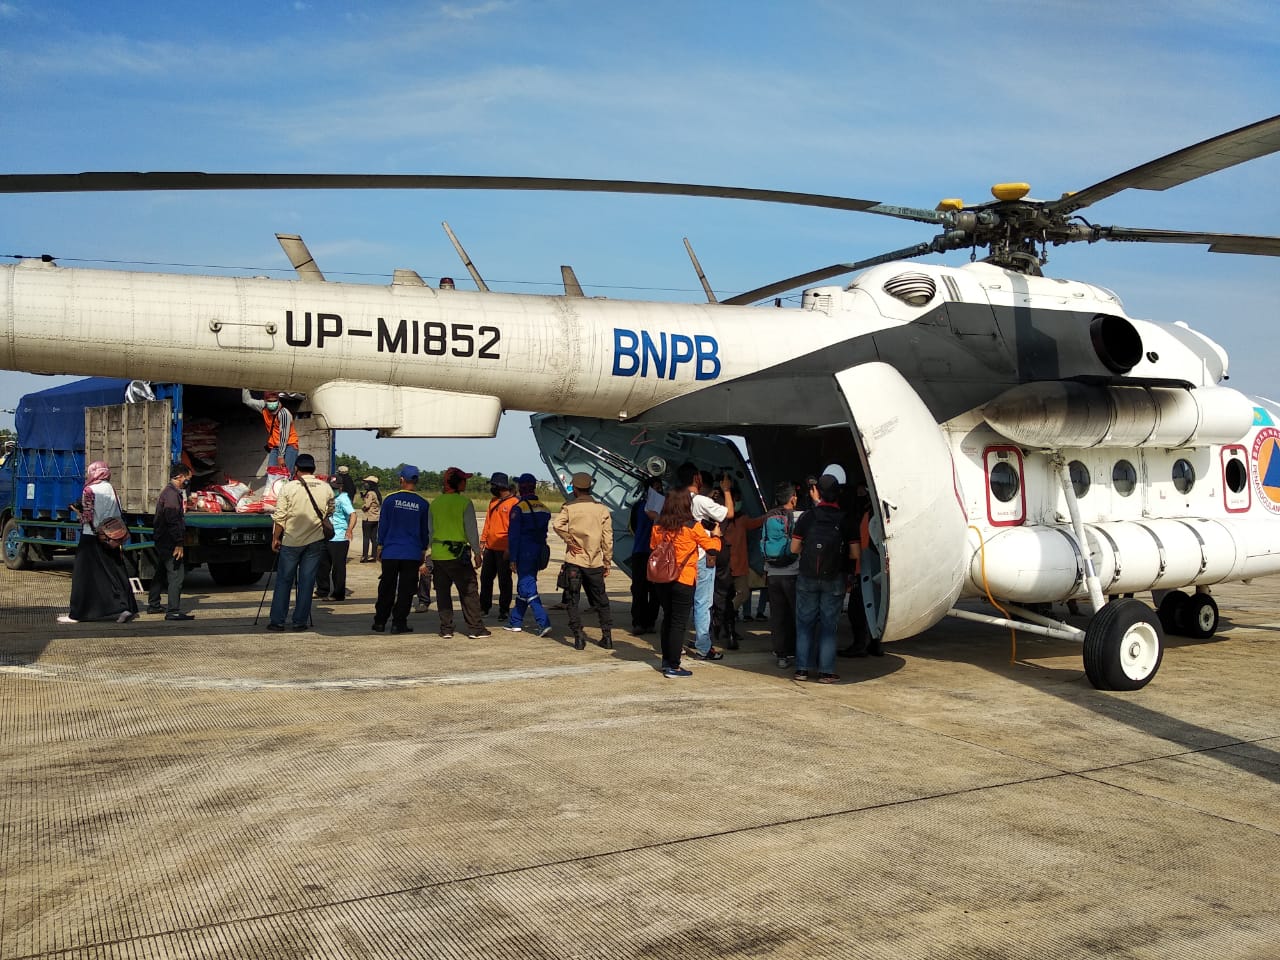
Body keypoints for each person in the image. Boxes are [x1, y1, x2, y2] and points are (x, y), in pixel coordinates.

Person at [790, 472, 857, 683]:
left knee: (804, 624)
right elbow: (855, 554)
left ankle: (801, 669)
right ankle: (826, 672)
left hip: (808, 576)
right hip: (834, 578)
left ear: (817, 491)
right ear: (838, 494)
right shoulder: (846, 520)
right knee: (829, 626)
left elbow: (794, 548)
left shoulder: (807, 517)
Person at [649, 486, 720, 678]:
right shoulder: (691, 526)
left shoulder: (658, 525)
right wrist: (716, 535)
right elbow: (712, 549)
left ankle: (666, 660)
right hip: (683, 578)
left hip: (662, 578)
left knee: (668, 618)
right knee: (679, 622)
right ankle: (674, 665)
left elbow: (654, 546)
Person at [60, 460, 139, 624]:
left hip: (92, 537)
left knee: (83, 576)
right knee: (116, 572)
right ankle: (125, 607)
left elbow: (87, 518)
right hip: (112, 537)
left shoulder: (89, 490)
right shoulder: (111, 489)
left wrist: (76, 511)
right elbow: (118, 511)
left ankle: (77, 613)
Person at [267, 452, 333, 632]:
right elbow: (330, 511)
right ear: (314, 469)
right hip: (315, 541)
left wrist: (275, 538)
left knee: (284, 581)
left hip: (291, 541)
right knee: (307, 582)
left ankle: (277, 621)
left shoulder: (289, 488)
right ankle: (299, 622)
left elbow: (280, 517)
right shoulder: (325, 487)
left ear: (296, 469)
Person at [552, 472, 615, 650]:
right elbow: (607, 538)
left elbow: (557, 525)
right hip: (594, 561)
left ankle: (578, 637)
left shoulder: (569, 507)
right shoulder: (601, 509)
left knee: (572, 600)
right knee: (601, 599)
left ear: (576, 489)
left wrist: (570, 541)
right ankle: (607, 636)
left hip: (575, 559)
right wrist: (607, 561)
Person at [678, 463, 733, 661]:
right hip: (701, 555)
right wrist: (726, 490)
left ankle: (678, 644)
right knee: (703, 603)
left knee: (681, 603)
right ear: (696, 479)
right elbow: (729, 514)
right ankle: (703, 646)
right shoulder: (701, 500)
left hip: (680, 557)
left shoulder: (674, 499)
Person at [429, 467, 490, 640]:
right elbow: (471, 530)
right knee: (469, 590)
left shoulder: (435, 503)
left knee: (442, 593)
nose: (466, 483)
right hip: (457, 555)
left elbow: (430, 531)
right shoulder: (464, 503)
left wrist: (428, 554)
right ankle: (476, 628)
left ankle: (446, 629)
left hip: (439, 554)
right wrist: (477, 553)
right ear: (457, 483)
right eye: (464, 480)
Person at [373, 464, 431, 634]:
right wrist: (422, 551)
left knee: (386, 588)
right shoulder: (423, 503)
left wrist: (380, 546)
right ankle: (399, 623)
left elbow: (382, 526)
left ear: (401, 480)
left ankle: (380, 622)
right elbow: (424, 532)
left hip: (391, 551)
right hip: (411, 553)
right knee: (406, 590)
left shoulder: (390, 499)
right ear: (417, 481)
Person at [505, 472, 553, 637]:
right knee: (525, 585)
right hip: (539, 551)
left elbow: (514, 535)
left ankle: (543, 621)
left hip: (524, 551)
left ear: (521, 487)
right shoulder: (545, 509)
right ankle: (515, 621)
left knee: (528, 587)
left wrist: (512, 558)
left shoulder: (519, 508)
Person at [146, 462, 195, 620]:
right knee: (176, 575)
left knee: (161, 572)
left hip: (163, 539)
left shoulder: (171, 492)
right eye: (187, 478)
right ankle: (173, 611)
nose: (188, 481)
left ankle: (154, 604)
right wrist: (179, 543)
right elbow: (173, 521)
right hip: (169, 541)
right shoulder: (172, 495)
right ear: (180, 477)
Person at [762, 481, 801, 669]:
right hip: (792, 571)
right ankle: (797, 651)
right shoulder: (798, 516)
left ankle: (781, 655)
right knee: (796, 614)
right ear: (792, 497)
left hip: (772, 572)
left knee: (777, 615)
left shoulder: (768, 516)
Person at [479, 472, 517, 621]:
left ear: (501, 486)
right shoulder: (493, 501)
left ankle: (504, 609)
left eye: (493, 485)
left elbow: (514, 528)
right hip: (490, 547)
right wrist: (483, 541)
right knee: (486, 578)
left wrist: (510, 548)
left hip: (504, 549)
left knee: (504, 581)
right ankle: (484, 607)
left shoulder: (514, 503)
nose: (492, 488)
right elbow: (488, 523)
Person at [629, 477, 662, 635]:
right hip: (642, 552)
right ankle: (640, 621)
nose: (659, 491)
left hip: (654, 552)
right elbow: (634, 526)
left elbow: (633, 527)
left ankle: (648, 622)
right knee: (640, 589)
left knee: (654, 591)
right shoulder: (640, 507)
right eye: (656, 488)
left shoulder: (641, 507)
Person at [315, 474, 355, 602]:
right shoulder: (325, 498)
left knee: (338, 568)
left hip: (339, 538)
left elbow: (353, 515)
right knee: (322, 566)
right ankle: (322, 590)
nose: (334, 490)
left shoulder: (343, 499)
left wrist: (349, 529)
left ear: (341, 487)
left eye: (336, 487)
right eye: (332, 487)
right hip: (325, 536)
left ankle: (338, 593)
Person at [242, 389, 299, 475]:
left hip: (289, 445)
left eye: (274, 401)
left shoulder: (284, 414)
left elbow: (284, 436)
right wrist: (245, 385)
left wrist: (280, 456)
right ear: (265, 401)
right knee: (272, 473)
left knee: (286, 474)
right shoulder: (263, 406)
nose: (272, 403)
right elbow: (247, 400)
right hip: (275, 446)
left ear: (278, 400)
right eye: (269, 401)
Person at [359, 475, 382, 562]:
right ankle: (374, 556)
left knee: (366, 538)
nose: (365, 484)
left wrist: (363, 506)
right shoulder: (376, 493)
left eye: (366, 483)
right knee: (373, 538)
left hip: (368, 518)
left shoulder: (370, 493)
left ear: (371, 484)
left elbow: (367, 506)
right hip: (375, 518)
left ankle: (364, 556)